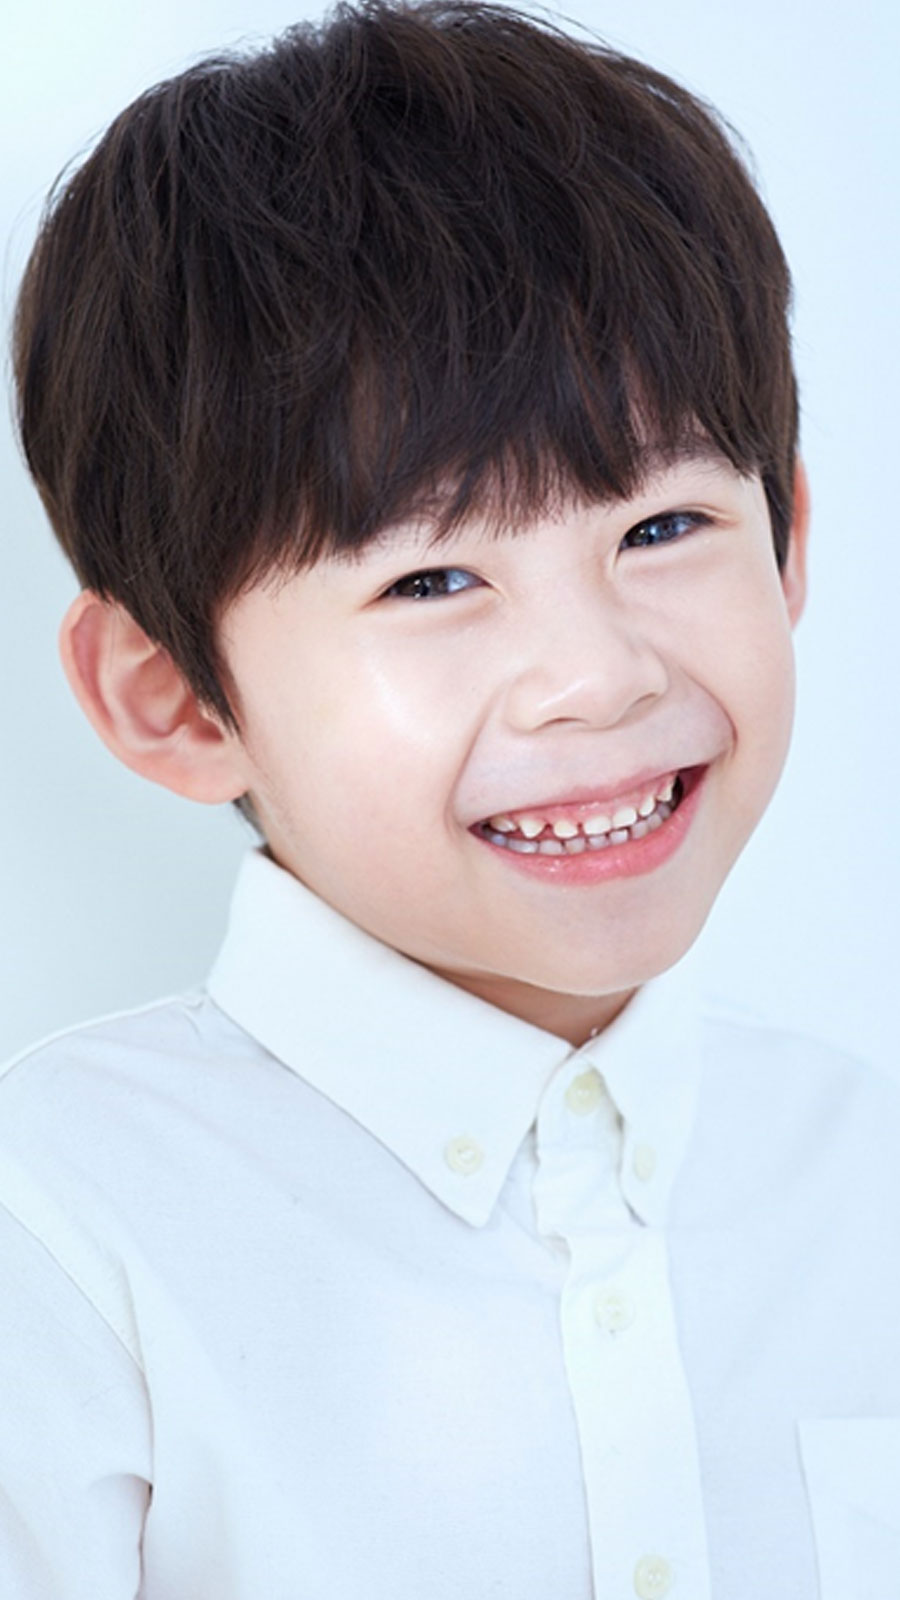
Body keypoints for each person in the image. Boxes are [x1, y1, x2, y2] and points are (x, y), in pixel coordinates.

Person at [3, 2, 898, 1595]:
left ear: (788, 541)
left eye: (664, 529)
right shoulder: (59, 1227)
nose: (596, 678)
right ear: (179, 699)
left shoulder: (863, 1173)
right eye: (432, 579)